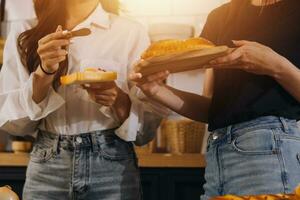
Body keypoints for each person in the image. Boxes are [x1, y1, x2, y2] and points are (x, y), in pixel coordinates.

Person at [130, 0, 300, 199]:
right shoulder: (220, 17)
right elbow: (211, 109)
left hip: (270, 150)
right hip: (218, 153)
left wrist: (275, 65)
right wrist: (157, 90)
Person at [0, 0, 151, 199]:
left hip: (113, 166)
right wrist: (44, 72)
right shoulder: (25, 31)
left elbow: (145, 134)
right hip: (47, 167)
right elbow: (15, 126)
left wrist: (118, 100)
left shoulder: (130, 32)